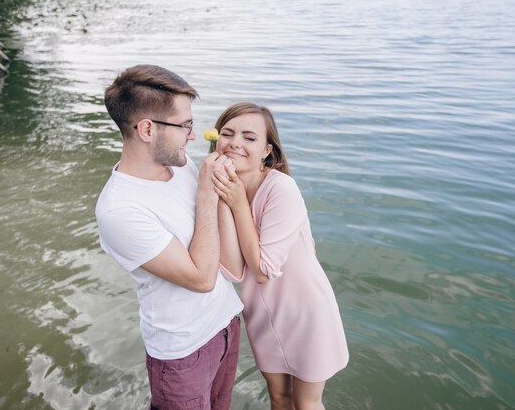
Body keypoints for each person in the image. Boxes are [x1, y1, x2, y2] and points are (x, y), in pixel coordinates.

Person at [95, 65, 243, 410]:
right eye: (185, 125)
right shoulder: (120, 210)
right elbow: (202, 278)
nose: (192, 136)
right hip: (183, 353)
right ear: (147, 129)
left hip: (224, 325)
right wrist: (207, 193)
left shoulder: (179, 165)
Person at [211, 102, 349, 410]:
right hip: (261, 314)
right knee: (278, 398)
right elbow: (233, 270)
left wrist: (237, 205)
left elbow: (262, 269)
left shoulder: (281, 189)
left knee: (306, 404)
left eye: (249, 137)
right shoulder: (225, 189)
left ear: (266, 150)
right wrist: (224, 198)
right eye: (228, 133)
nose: (235, 142)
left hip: (304, 312)